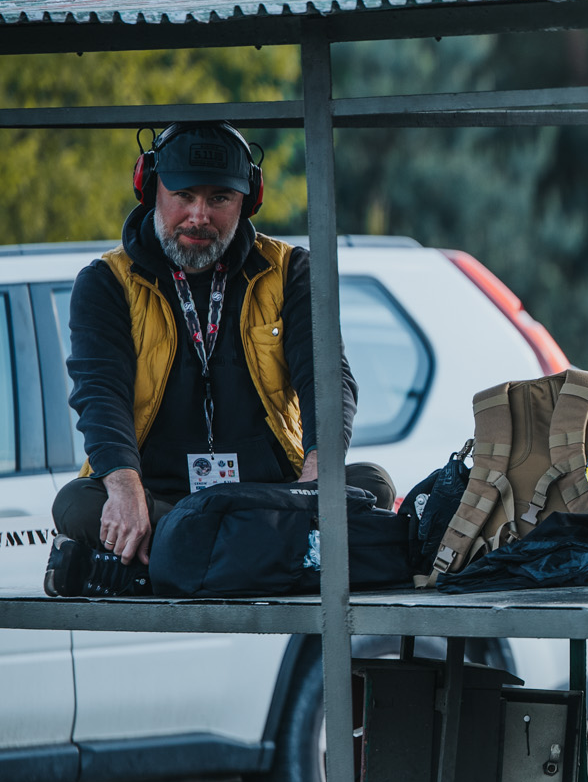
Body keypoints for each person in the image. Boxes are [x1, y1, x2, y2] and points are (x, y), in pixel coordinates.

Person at [54, 121, 383, 567]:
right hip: (161, 494)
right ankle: (274, 551)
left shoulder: (291, 271)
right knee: (77, 504)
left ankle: (188, 553)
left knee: (372, 483)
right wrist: (124, 489)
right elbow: (100, 392)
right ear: (151, 189)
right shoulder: (106, 281)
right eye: (184, 196)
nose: (199, 216)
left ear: (248, 200)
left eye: (219, 198)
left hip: (271, 492)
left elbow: (326, 376)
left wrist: (317, 477)